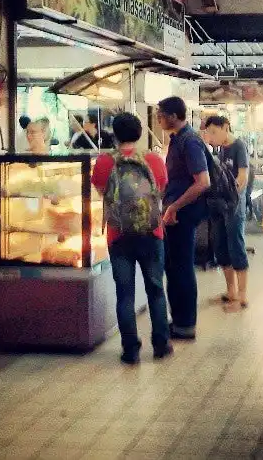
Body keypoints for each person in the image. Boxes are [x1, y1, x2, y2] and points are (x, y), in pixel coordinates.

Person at [91, 112, 172, 365]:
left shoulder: (105, 162)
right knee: (156, 290)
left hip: (119, 235)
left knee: (124, 294)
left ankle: (131, 350)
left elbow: (102, 193)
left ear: (114, 134)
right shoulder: (153, 160)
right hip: (152, 233)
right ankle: (161, 345)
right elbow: (161, 189)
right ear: (139, 134)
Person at [157, 96, 211, 340]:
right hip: (176, 213)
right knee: (176, 267)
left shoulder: (189, 142)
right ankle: (179, 321)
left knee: (182, 268)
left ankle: (186, 324)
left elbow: (203, 182)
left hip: (183, 215)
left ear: (173, 116)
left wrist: (175, 207)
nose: (158, 118)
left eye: (160, 114)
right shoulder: (179, 139)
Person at [205, 116, 250, 310]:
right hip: (219, 204)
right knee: (220, 246)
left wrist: (231, 196)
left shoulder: (239, 146)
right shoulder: (219, 150)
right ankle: (230, 290)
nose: (211, 137)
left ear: (226, 127)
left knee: (236, 245)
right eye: (209, 133)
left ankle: (242, 295)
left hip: (234, 204)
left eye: (214, 132)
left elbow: (243, 176)